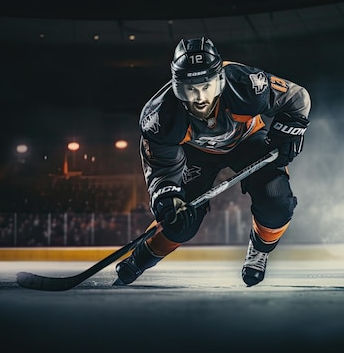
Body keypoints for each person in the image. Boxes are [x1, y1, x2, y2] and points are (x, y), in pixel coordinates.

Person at [115, 37, 311, 287]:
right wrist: (167, 199)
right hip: (196, 156)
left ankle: (260, 250)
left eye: (205, 86)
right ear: (176, 88)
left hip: (248, 142)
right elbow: (162, 169)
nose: (199, 98)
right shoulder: (160, 117)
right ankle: (140, 259)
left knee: (277, 200)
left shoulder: (246, 83)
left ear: (219, 80)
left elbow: (297, 98)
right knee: (179, 223)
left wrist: (291, 129)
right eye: (190, 89)